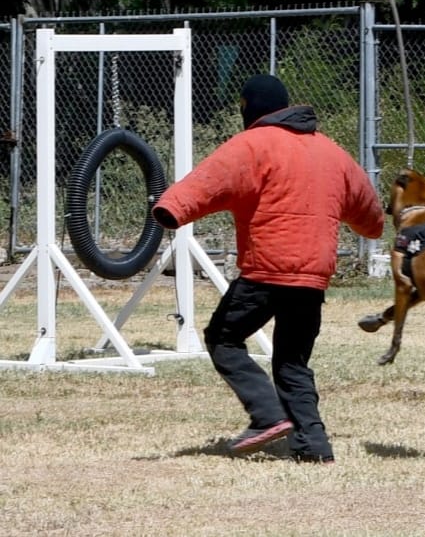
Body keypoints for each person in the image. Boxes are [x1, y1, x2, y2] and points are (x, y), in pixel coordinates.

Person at [152, 74, 384, 463]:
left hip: (266, 270)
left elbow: (205, 183)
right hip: (313, 277)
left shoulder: (252, 145)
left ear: (250, 108)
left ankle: (267, 416)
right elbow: (370, 215)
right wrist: (373, 226)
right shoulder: (332, 152)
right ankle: (314, 447)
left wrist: (169, 209)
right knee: (292, 361)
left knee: (223, 338)